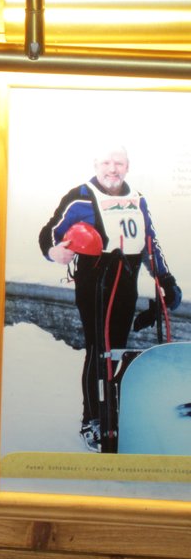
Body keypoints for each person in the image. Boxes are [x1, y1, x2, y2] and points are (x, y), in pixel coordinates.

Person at [38, 145, 181, 452]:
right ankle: (91, 419)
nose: (112, 169)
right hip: (95, 282)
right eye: (106, 162)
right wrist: (54, 251)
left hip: (126, 282)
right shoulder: (80, 196)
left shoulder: (137, 199)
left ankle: (113, 413)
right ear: (96, 165)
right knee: (98, 349)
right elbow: (50, 231)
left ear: (128, 166)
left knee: (116, 349)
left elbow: (150, 242)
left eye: (119, 163)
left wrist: (166, 280)